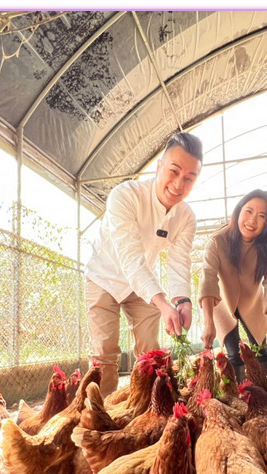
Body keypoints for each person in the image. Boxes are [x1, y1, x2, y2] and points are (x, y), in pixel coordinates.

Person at [85, 132, 203, 397]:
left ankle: (149, 408)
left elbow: (179, 261)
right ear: (159, 166)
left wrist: (182, 300)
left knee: (151, 353)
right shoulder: (125, 196)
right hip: (104, 276)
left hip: (142, 285)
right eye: (173, 171)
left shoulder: (186, 217)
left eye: (189, 178)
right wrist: (163, 304)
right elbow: (130, 257)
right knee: (105, 354)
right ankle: (101, 415)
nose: (178, 184)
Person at [199, 189, 267, 382]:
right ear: (238, 212)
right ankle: (238, 398)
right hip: (222, 305)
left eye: (262, 216)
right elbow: (208, 279)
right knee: (234, 355)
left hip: (253, 304)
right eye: (249, 211)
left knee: (261, 351)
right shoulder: (217, 242)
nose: (252, 220)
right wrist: (208, 322)